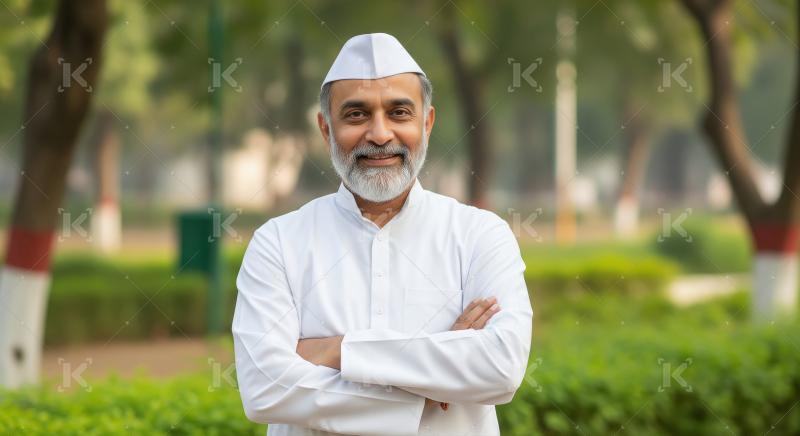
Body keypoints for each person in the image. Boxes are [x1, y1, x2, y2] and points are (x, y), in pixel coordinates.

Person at [233, 32, 533, 436]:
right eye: (357, 115)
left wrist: (337, 350)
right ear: (326, 129)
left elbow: (501, 367)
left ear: (427, 123)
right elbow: (264, 389)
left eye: (399, 113)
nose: (379, 134)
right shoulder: (279, 243)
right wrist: (432, 381)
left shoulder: (480, 235)